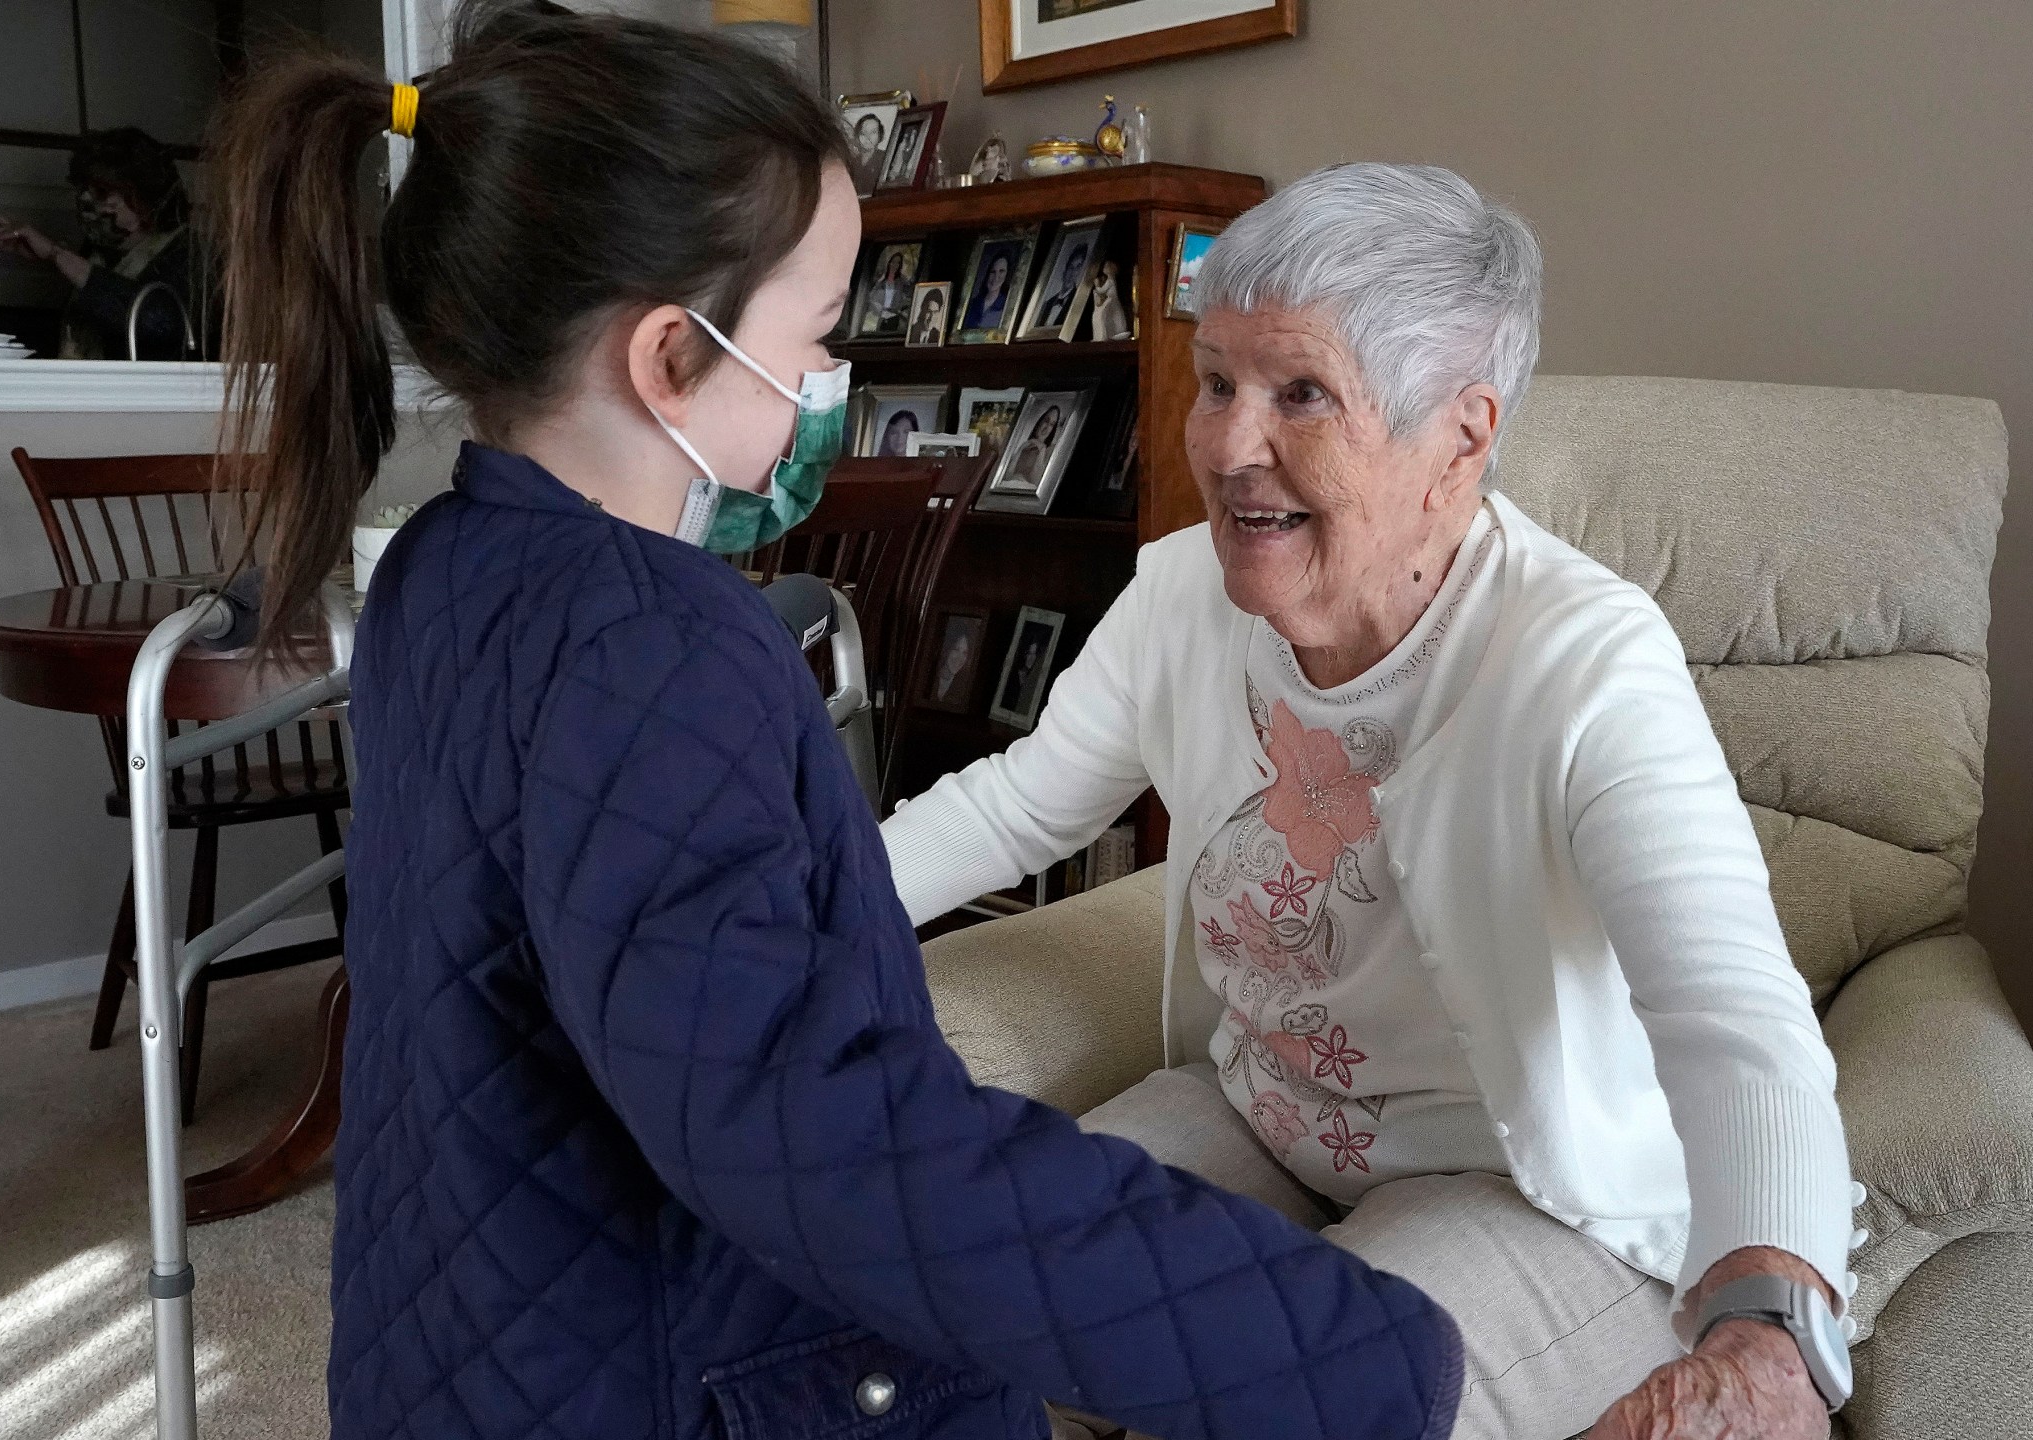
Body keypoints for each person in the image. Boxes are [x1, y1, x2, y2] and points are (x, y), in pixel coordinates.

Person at [208, 9, 1460, 1440]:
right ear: (669, 357)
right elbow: (827, 1141)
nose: (829, 385)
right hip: (676, 1376)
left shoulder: (441, 564)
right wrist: (1328, 1344)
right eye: (816, 336)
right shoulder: (658, 644)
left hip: (475, 1335)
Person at [881, 162, 1853, 1440]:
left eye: (1301, 395)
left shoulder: (1583, 660)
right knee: (960, 1327)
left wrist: (1774, 1335)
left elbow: (1730, 1014)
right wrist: (753, 921)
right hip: (1256, 1110)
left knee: (1307, 1409)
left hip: (1516, 1181)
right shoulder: (1181, 593)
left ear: (1460, 437)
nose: (1229, 446)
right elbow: (1015, 809)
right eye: (1217, 381)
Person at [0, 127, 215, 359]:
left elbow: (157, 320)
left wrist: (57, 255)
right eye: (85, 191)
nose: (92, 205)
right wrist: (53, 261)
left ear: (140, 193)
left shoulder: (188, 251)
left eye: (102, 193)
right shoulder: (100, 252)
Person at [1034, 244, 1091, 330]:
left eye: (1077, 268)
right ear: (1065, 270)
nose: (1072, 273)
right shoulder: (1048, 303)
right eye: (1071, 267)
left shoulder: (1078, 301)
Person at [965, 251, 1012, 332]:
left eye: (1001, 271)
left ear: (1007, 274)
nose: (996, 277)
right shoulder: (972, 304)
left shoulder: (1008, 306)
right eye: (993, 272)